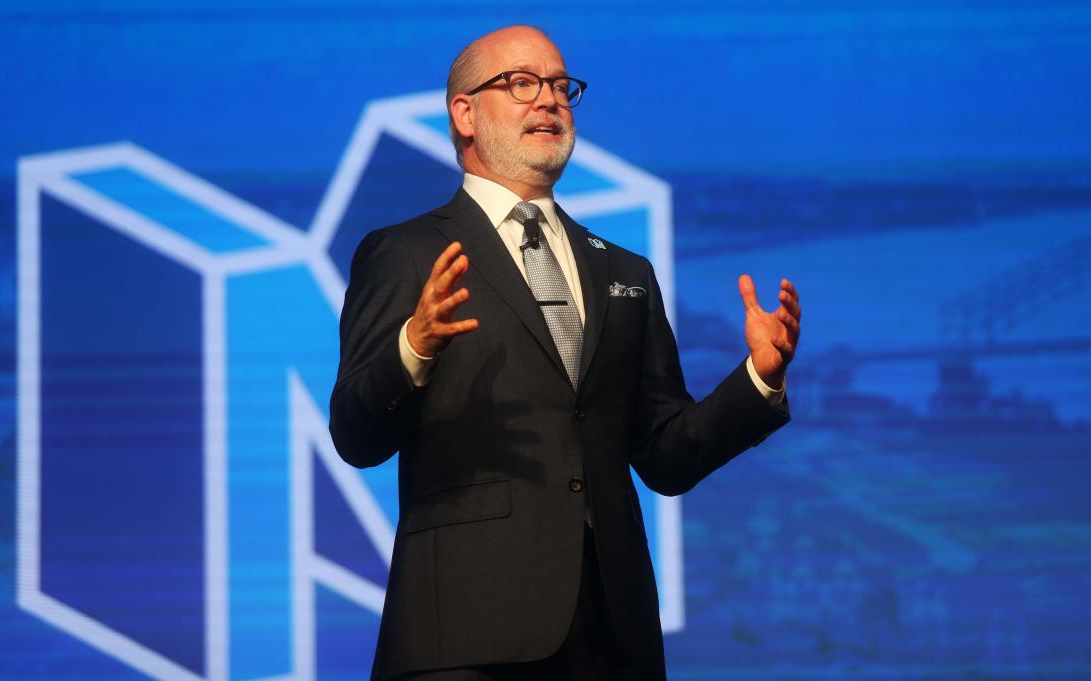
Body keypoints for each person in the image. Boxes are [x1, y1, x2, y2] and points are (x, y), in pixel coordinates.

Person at [329, 24, 801, 681]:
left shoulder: (624, 270)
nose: (549, 100)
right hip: (465, 632)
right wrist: (413, 346)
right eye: (521, 83)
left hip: (611, 636)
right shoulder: (406, 252)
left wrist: (758, 380)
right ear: (464, 113)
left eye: (560, 86)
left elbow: (664, 453)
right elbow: (355, 432)